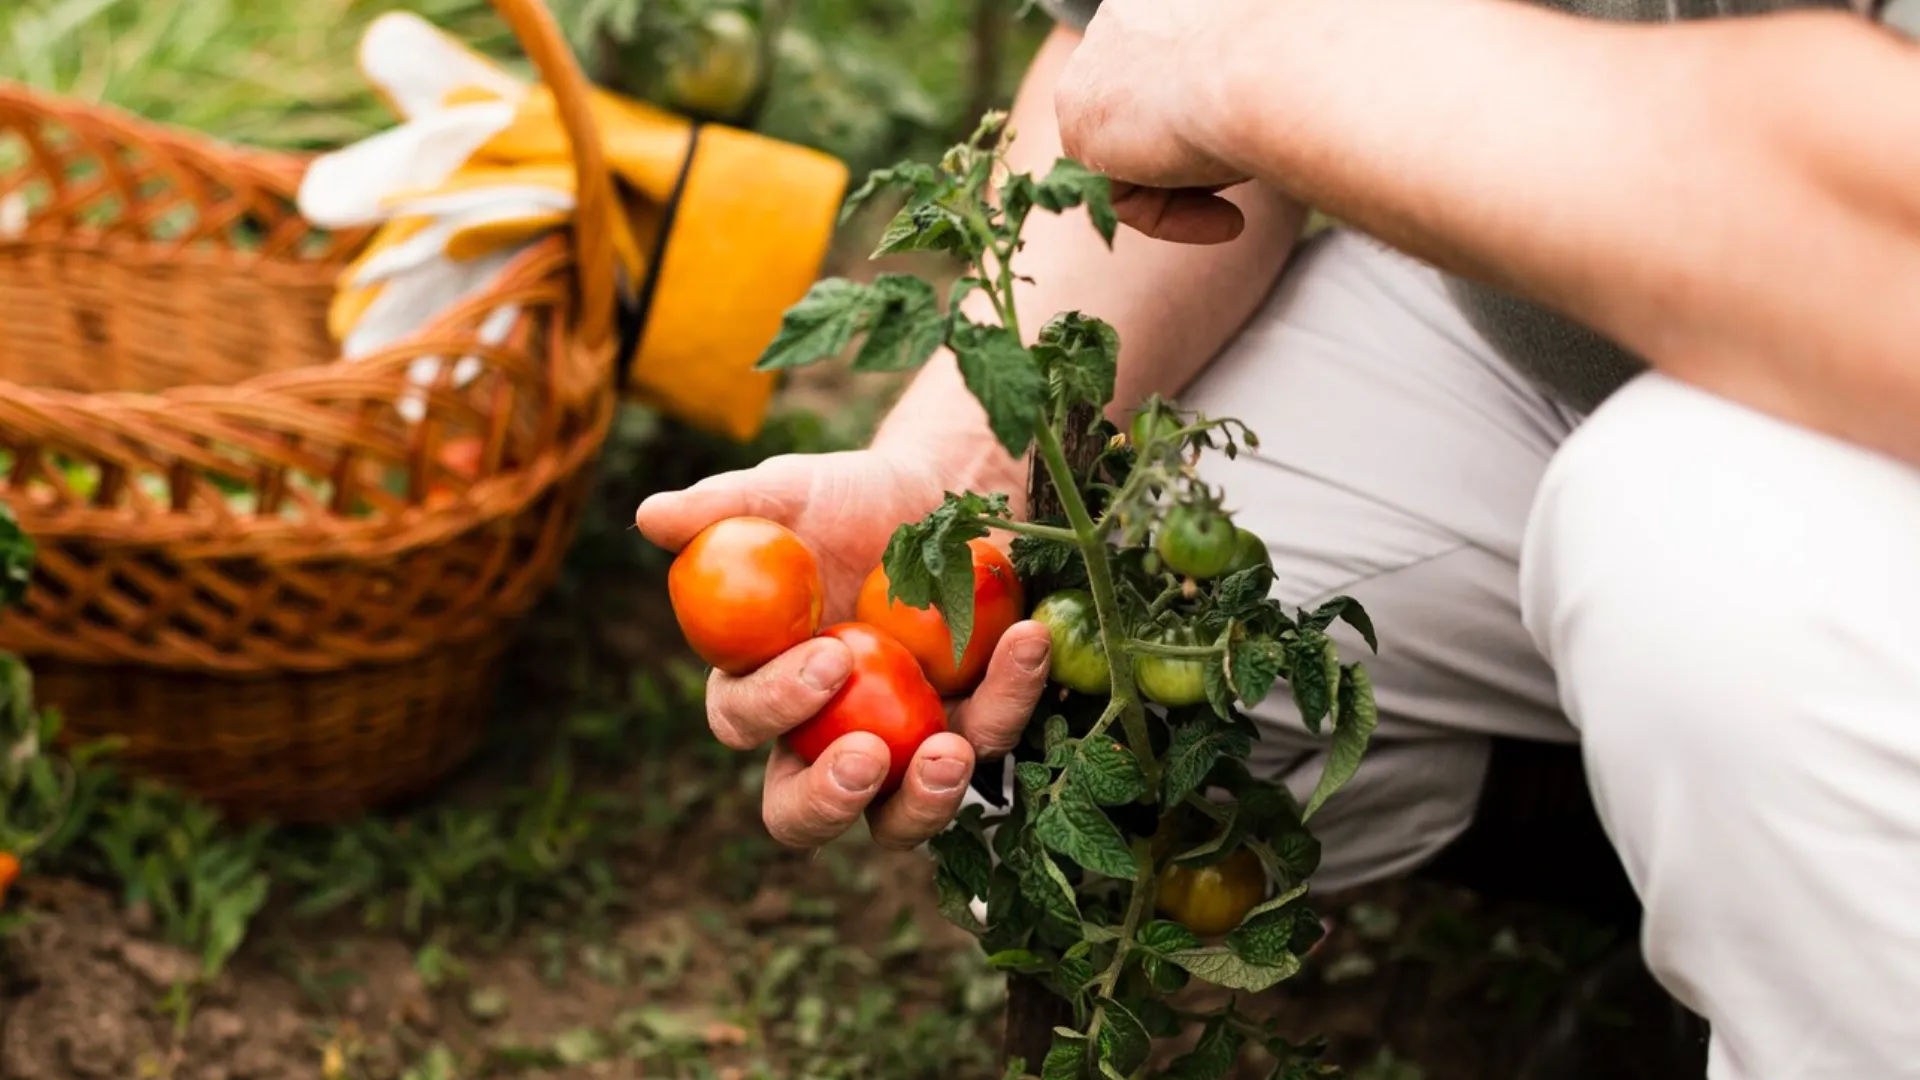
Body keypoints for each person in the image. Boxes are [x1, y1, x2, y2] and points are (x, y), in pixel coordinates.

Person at [636, 1, 1920, 1076]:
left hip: (1872, 390)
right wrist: (960, 479)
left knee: (1696, 551)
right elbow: (1140, 45)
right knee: (1094, 694)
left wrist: (1274, 53)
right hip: (1528, 311)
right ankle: (1648, 850)